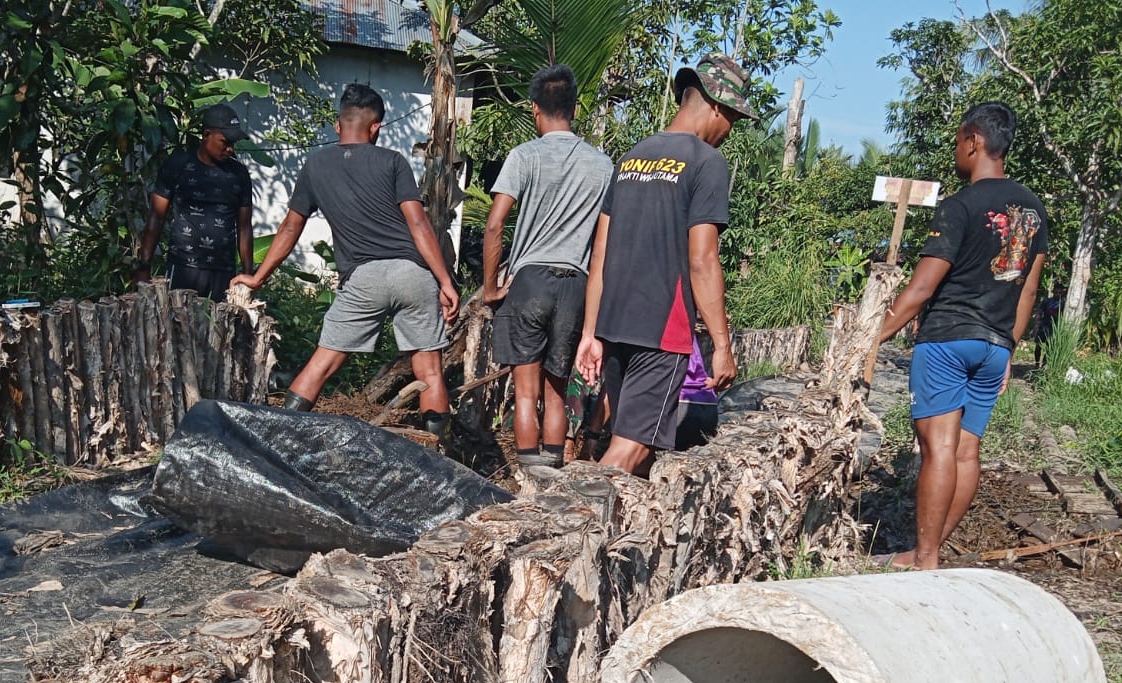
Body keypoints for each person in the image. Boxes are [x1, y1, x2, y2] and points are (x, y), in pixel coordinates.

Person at [876, 101, 1048, 570]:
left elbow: (922, 288)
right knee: (967, 451)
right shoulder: (1033, 209)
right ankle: (927, 550)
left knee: (939, 448)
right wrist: (1008, 347)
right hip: (995, 344)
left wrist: (872, 338)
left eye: (958, 141)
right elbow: (1028, 290)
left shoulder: (959, 206)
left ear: (973, 141)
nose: (957, 150)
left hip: (949, 339)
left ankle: (925, 557)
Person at [233, 83, 460, 432]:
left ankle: (279, 438)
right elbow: (418, 223)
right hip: (412, 273)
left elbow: (290, 229)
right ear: (376, 127)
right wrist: (445, 281)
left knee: (321, 365)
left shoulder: (316, 165)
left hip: (363, 278)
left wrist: (258, 277)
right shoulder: (393, 161)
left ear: (338, 126)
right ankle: (439, 456)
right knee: (429, 371)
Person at [573, 56, 752, 476]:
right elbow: (702, 259)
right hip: (662, 327)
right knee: (630, 451)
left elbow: (600, 252)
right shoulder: (706, 162)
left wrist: (590, 334)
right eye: (733, 119)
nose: (730, 130)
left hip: (614, 323)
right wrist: (723, 347)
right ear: (716, 106)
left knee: (639, 442)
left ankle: (615, 540)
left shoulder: (632, 157)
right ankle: (555, 526)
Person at [480, 64, 614, 473]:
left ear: (535, 109)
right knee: (557, 392)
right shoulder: (603, 165)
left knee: (525, 392)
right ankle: (552, 481)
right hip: (576, 284)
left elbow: (495, 222)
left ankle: (527, 480)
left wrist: (490, 287)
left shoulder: (524, 156)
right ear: (574, 109)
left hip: (529, 280)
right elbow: (605, 245)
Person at [134, 104, 254, 302]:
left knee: (219, 329)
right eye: (225, 142)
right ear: (207, 134)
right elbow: (157, 215)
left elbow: (244, 228)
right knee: (178, 327)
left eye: (233, 143)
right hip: (181, 268)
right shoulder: (178, 164)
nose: (230, 149)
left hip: (223, 272)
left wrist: (249, 274)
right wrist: (144, 266)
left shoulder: (239, 174)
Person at [1034, 286, 1062, 368]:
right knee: (1038, 346)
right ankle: (1037, 363)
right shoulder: (1047, 301)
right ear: (1053, 292)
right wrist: (1037, 324)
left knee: (1049, 346)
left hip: (1054, 327)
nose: (1057, 294)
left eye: (1059, 293)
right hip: (1043, 325)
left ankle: (1044, 364)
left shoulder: (1063, 303)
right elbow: (1039, 312)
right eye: (1056, 292)